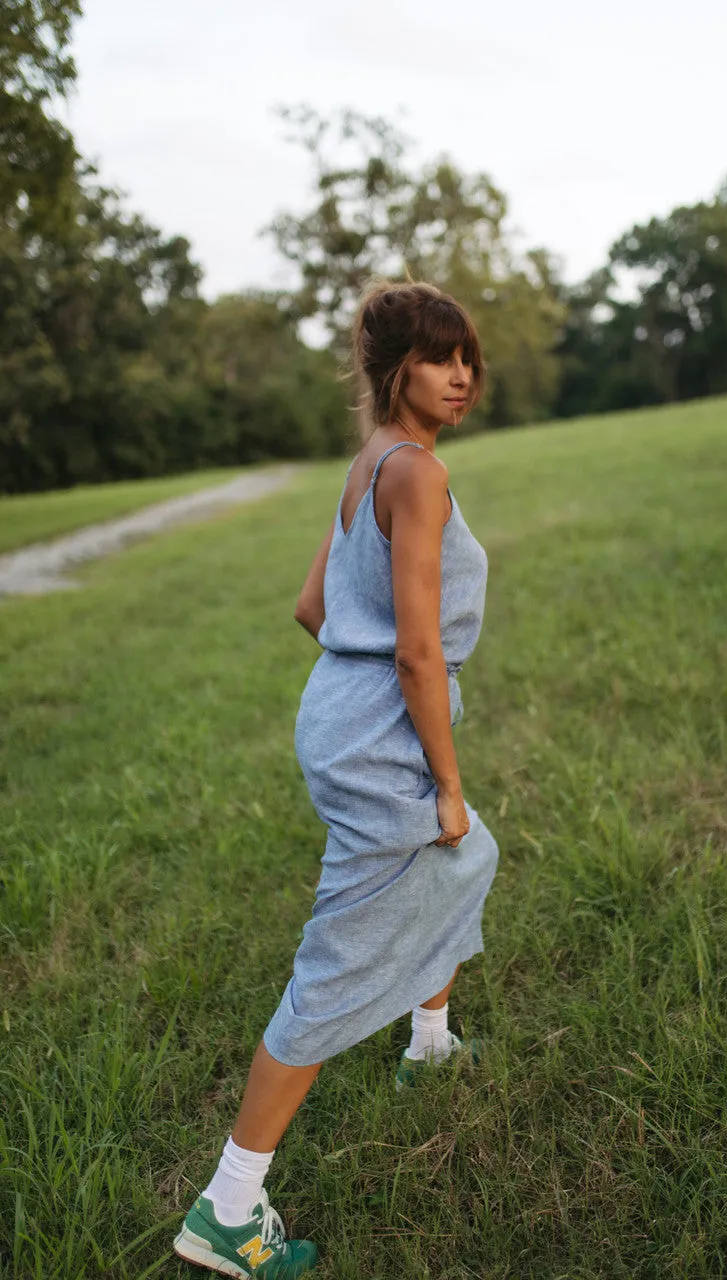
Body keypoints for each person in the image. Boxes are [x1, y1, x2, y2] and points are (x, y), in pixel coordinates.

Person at [173, 280, 500, 1278]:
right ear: (395, 368)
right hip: (379, 730)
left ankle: (429, 1038)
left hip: (336, 714)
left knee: (463, 860)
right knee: (339, 957)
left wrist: (357, 691)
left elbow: (314, 604)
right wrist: (439, 778)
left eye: (468, 358)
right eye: (439, 357)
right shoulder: (420, 478)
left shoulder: (371, 464)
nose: (461, 377)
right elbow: (414, 653)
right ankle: (227, 1209)